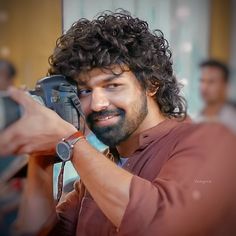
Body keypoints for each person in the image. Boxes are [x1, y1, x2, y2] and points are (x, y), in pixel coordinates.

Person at [0, 11, 236, 236]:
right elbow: (39, 231)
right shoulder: (99, 169)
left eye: (112, 85)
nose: (97, 103)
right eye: (84, 91)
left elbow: (160, 225)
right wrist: (42, 152)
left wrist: (70, 142)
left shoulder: (211, 140)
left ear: (151, 85)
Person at [197, 59, 236, 133]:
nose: (204, 87)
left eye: (211, 82)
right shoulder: (197, 119)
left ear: (224, 85)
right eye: (202, 81)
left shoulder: (232, 121)